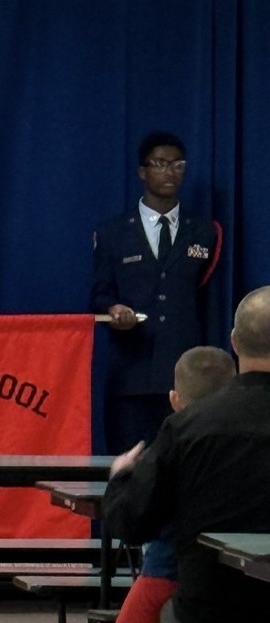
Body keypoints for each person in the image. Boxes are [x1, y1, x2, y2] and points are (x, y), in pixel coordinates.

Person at [104, 286, 270, 623]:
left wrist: (120, 479)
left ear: (233, 342)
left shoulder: (187, 427)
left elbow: (132, 522)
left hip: (210, 620)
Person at [104, 346, 236, 623]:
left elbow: (136, 514)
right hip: (224, 578)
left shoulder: (174, 438)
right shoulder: (237, 444)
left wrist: (121, 476)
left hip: (163, 573)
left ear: (175, 399)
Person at [91, 131, 221, 455]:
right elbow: (98, 297)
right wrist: (114, 310)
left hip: (186, 377)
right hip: (131, 376)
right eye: (160, 164)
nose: (170, 172)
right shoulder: (113, 233)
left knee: (187, 471)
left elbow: (211, 304)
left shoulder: (204, 231)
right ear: (142, 172)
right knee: (128, 471)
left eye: (178, 164)